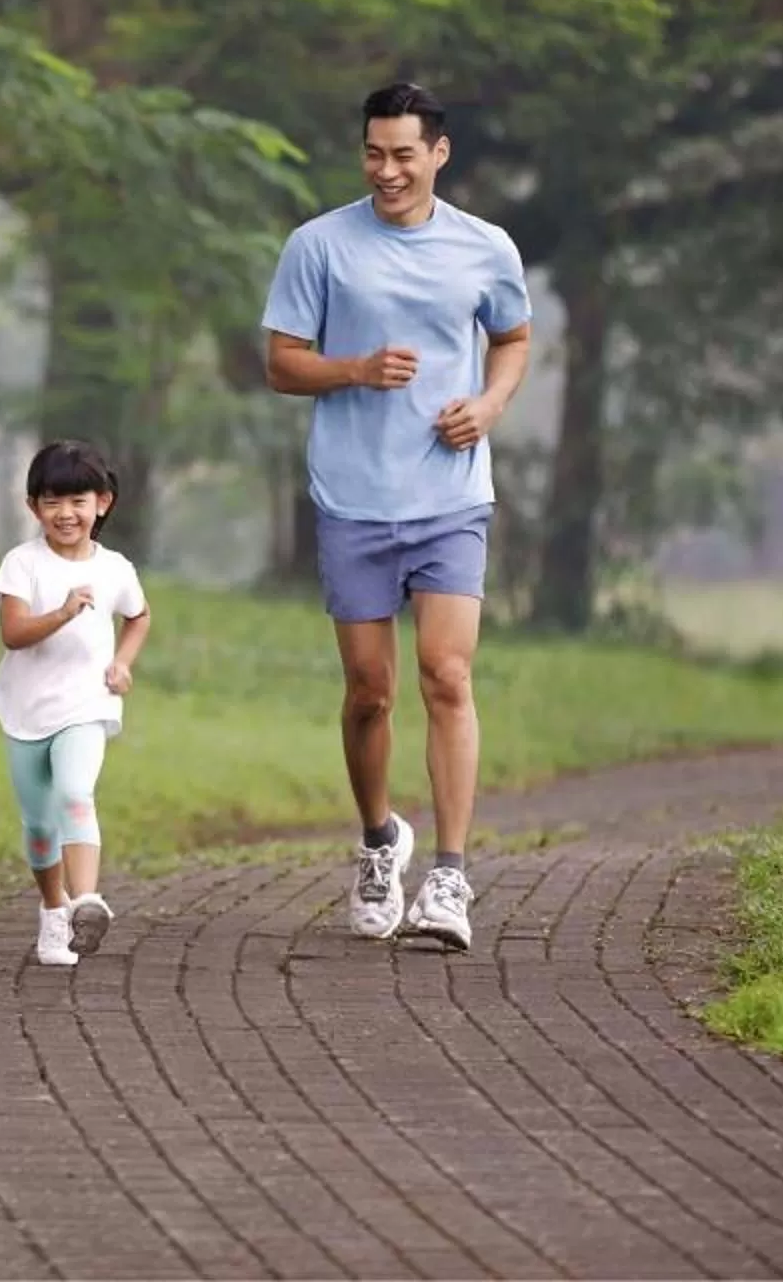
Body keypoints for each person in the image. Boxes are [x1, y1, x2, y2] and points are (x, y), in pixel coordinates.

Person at [260, 82, 532, 952]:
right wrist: (355, 369)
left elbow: (514, 338)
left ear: (438, 154)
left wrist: (488, 406)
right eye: (374, 153)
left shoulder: (484, 248)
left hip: (451, 495)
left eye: (403, 154)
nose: (387, 170)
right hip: (352, 499)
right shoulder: (320, 246)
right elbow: (280, 363)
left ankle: (449, 877)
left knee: (447, 676)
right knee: (369, 693)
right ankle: (380, 844)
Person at [0, 440, 154, 968]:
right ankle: (53, 909)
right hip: (24, 712)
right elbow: (13, 633)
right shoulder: (22, 564)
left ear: (102, 503)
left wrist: (123, 664)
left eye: (78, 501)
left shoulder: (115, 568)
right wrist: (61, 613)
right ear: (33, 506)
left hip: (87, 705)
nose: (66, 514)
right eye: (53, 502)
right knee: (39, 826)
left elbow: (139, 616)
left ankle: (86, 899)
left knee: (76, 793)